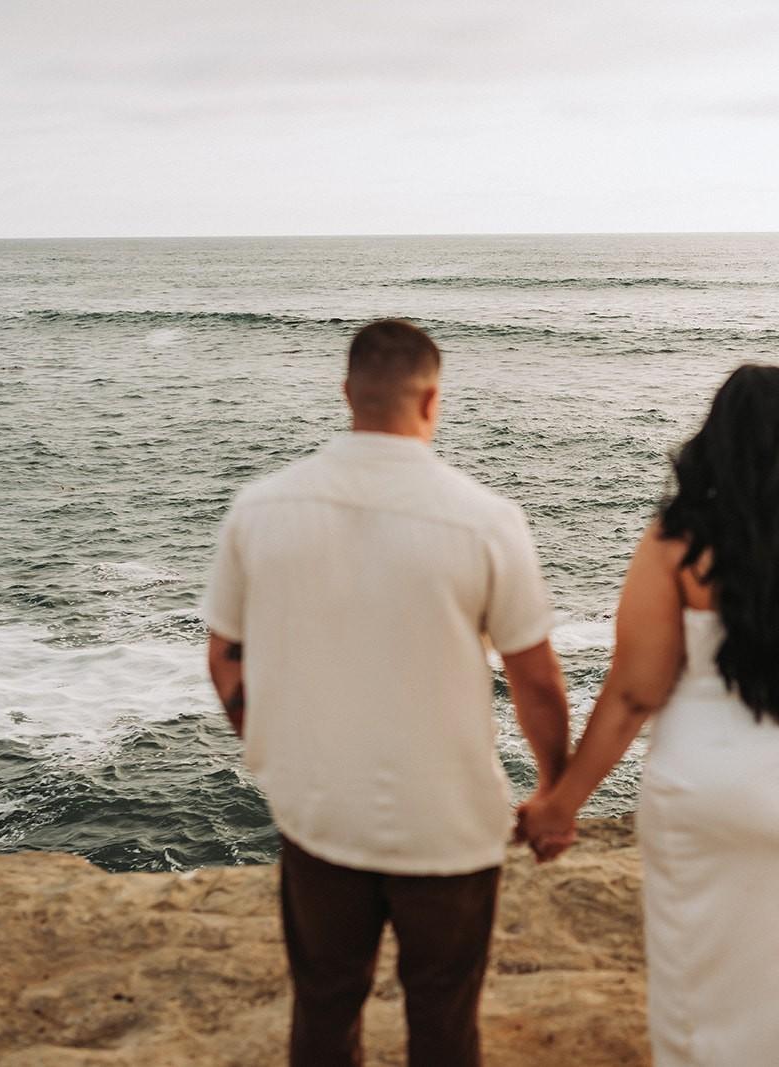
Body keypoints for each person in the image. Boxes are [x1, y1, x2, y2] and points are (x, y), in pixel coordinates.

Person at [201, 319, 573, 1067]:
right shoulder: (486, 520)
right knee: (443, 1016)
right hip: (449, 821)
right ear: (433, 399)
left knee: (326, 1004)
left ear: (346, 393)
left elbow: (225, 661)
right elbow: (536, 681)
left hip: (319, 811)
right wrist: (553, 792)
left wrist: (278, 751)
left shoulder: (262, 507)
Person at [519, 364, 779, 1066]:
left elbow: (634, 692)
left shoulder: (676, 542)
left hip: (709, 782)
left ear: (716, 438)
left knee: (704, 965)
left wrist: (561, 802)